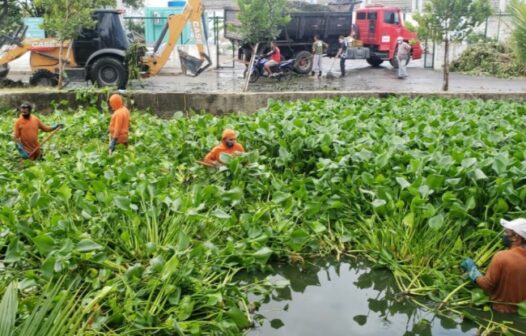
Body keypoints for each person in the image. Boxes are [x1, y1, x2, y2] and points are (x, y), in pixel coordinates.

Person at [461, 218, 526, 314]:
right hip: (521, 313)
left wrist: (473, 271)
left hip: (499, 311)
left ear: (515, 237)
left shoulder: (502, 256)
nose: (503, 235)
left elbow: (487, 285)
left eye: (506, 232)